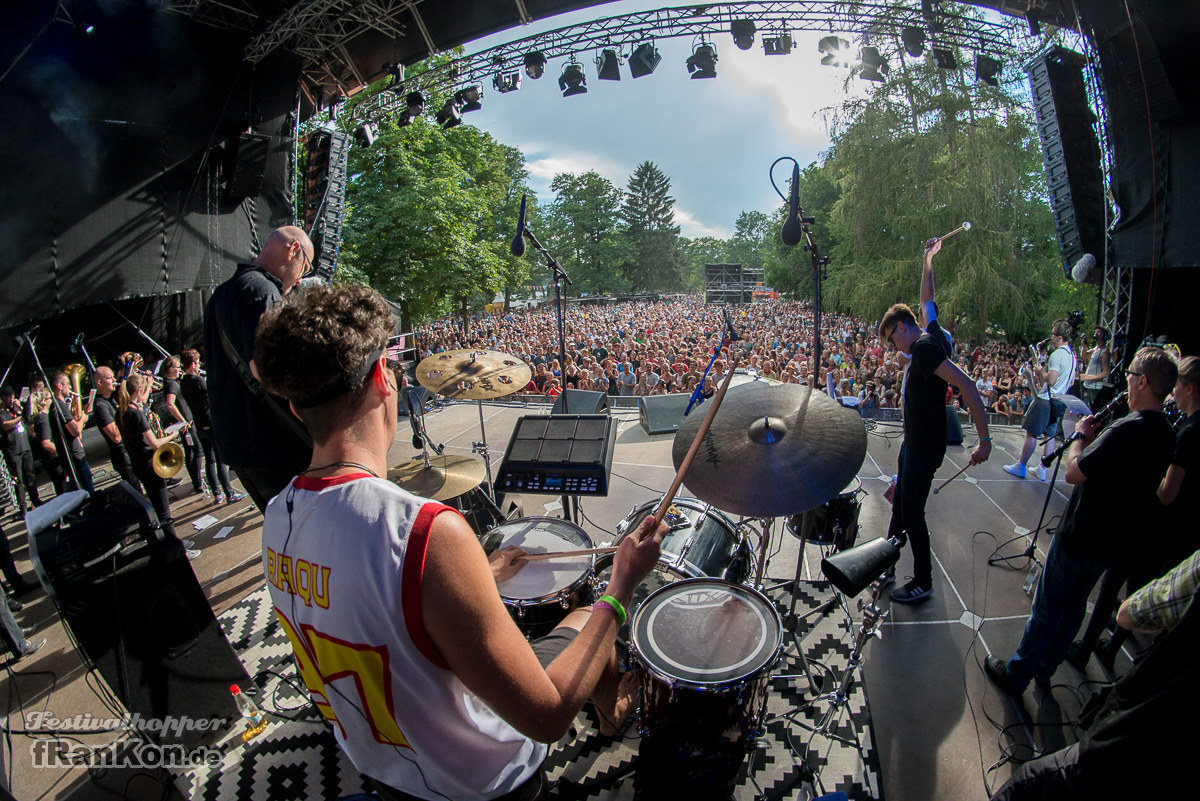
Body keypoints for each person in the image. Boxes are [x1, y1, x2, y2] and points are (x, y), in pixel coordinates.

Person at [254, 285, 666, 801]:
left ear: (296, 408)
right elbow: (547, 715)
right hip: (483, 784)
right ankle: (613, 719)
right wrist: (623, 584)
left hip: (385, 770)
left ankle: (610, 714)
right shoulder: (423, 530)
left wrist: (481, 576)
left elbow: (370, 604)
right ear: (385, 378)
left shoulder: (278, 517)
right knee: (588, 616)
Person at [985, 347, 1176, 695]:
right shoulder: (1167, 434)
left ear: (1144, 381)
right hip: (1112, 542)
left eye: (1131, 376)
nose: (1127, 383)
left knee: (1048, 606)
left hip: (1081, 535)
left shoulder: (1126, 429)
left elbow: (1074, 472)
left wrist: (1081, 439)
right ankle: (1046, 667)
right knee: (1074, 608)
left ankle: (1016, 675)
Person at [988, 547, 1200, 801]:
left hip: (1141, 727)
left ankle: (1018, 674)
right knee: (1075, 602)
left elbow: (1130, 614)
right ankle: (1045, 668)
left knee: (1029, 784)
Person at [878, 303, 991, 603]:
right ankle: (887, 564)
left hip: (923, 447)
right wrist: (929, 261)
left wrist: (985, 439)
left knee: (912, 512)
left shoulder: (925, 348)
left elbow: (966, 384)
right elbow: (927, 299)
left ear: (901, 327)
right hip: (913, 442)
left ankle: (922, 581)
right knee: (900, 503)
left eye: (892, 338)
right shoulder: (935, 334)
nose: (893, 347)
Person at [203, 225, 314, 513]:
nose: (301, 278)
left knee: (283, 531)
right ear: (294, 251)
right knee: (307, 530)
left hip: (239, 445)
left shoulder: (221, 295)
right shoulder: (262, 290)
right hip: (272, 444)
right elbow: (269, 369)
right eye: (306, 266)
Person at [119, 374, 200, 561]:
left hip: (139, 465)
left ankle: (170, 544)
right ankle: (177, 549)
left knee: (157, 508)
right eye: (144, 392)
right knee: (164, 512)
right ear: (138, 392)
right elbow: (155, 444)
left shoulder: (121, 411)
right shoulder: (136, 414)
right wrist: (173, 434)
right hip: (151, 465)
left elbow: (135, 437)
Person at [1004, 320, 1078, 481]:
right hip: (1059, 400)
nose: (1050, 337)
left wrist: (1040, 371)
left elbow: (1050, 380)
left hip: (1046, 399)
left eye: (1053, 334)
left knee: (1031, 433)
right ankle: (1042, 469)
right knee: (1049, 435)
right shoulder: (1072, 356)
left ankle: (1021, 466)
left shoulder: (1057, 354)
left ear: (1059, 337)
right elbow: (1071, 382)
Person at [179, 349, 243, 505]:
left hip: (199, 425)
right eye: (198, 362)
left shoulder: (183, 382)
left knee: (209, 460)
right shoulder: (198, 380)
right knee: (220, 460)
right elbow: (214, 397)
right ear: (193, 363)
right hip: (211, 422)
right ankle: (229, 493)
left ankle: (217, 494)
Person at [90, 367, 142, 492]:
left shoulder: (110, 400)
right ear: (99, 383)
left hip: (130, 452)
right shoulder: (100, 406)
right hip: (123, 456)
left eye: (113, 377)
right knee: (138, 494)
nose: (114, 380)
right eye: (109, 378)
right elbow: (116, 436)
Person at [159, 356, 204, 496]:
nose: (179, 370)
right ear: (170, 369)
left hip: (185, 422)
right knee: (197, 452)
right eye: (177, 367)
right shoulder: (171, 384)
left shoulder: (170, 382)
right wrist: (183, 420)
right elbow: (170, 404)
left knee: (191, 452)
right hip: (187, 423)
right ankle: (198, 482)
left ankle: (196, 482)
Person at [48, 369, 94, 494]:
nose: (70, 387)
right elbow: (75, 431)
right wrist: (83, 418)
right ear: (59, 386)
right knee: (87, 492)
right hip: (75, 457)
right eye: (67, 383)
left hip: (73, 455)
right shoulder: (59, 406)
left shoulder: (58, 406)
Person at [0, 387, 41, 511]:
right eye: (8, 396)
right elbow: (5, 425)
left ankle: (36, 500)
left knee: (30, 476)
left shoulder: (17, 408)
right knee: (19, 480)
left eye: (12, 396)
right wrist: (19, 418)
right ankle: (23, 507)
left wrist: (21, 409)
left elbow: (28, 417)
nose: (11, 398)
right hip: (13, 450)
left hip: (25, 447)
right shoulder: (2, 412)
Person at [30, 388, 68, 497]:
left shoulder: (41, 417)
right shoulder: (43, 418)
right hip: (53, 460)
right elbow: (46, 443)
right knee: (63, 490)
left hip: (50, 460)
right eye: (50, 398)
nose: (52, 399)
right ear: (43, 401)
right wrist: (63, 451)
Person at [1080, 326, 1112, 411]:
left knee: (1090, 410)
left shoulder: (1104, 351)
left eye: (1098, 332)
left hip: (1095, 388)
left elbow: (1105, 373)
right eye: (1095, 332)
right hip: (1088, 386)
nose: (1095, 334)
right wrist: (1084, 344)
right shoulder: (1095, 349)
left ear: (1104, 336)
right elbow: (1084, 356)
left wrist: (1088, 377)